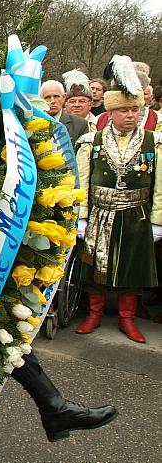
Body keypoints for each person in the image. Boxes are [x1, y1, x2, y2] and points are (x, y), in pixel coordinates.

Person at [75, 55, 161, 343]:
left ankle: (127, 318)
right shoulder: (91, 141)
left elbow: (160, 185)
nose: (130, 116)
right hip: (100, 212)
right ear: (110, 112)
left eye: (135, 110)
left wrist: (158, 220)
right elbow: (81, 181)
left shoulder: (155, 142)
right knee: (95, 266)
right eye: (123, 110)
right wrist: (82, 215)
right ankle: (94, 314)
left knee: (132, 266)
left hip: (137, 214)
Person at [40, 80, 89, 144]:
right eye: (47, 97)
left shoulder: (80, 124)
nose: (52, 101)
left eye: (56, 96)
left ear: (64, 97)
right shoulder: (32, 123)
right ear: (41, 99)